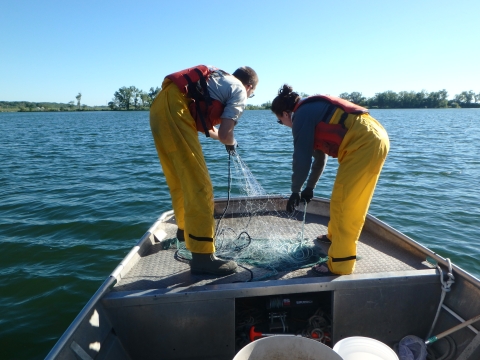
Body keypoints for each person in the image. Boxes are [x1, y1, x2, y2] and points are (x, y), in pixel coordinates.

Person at [150, 65, 258, 276]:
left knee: (181, 180)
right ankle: (203, 257)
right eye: (252, 94)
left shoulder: (217, 81)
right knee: (200, 186)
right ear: (249, 87)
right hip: (176, 108)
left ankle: (184, 232)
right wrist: (231, 141)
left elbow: (212, 130)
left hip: (159, 107)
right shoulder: (238, 90)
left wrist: (227, 141)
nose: (249, 96)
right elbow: (227, 134)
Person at [271, 84, 389, 276]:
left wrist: (295, 191)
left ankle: (340, 263)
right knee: (340, 197)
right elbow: (319, 158)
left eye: (279, 121)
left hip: (364, 142)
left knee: (347, 206)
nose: (283, 125)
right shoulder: (309, 113)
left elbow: (301, 159)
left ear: (285, 114)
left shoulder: (300, 115)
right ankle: (332, 237)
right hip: (369, 137)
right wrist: (308, 188)